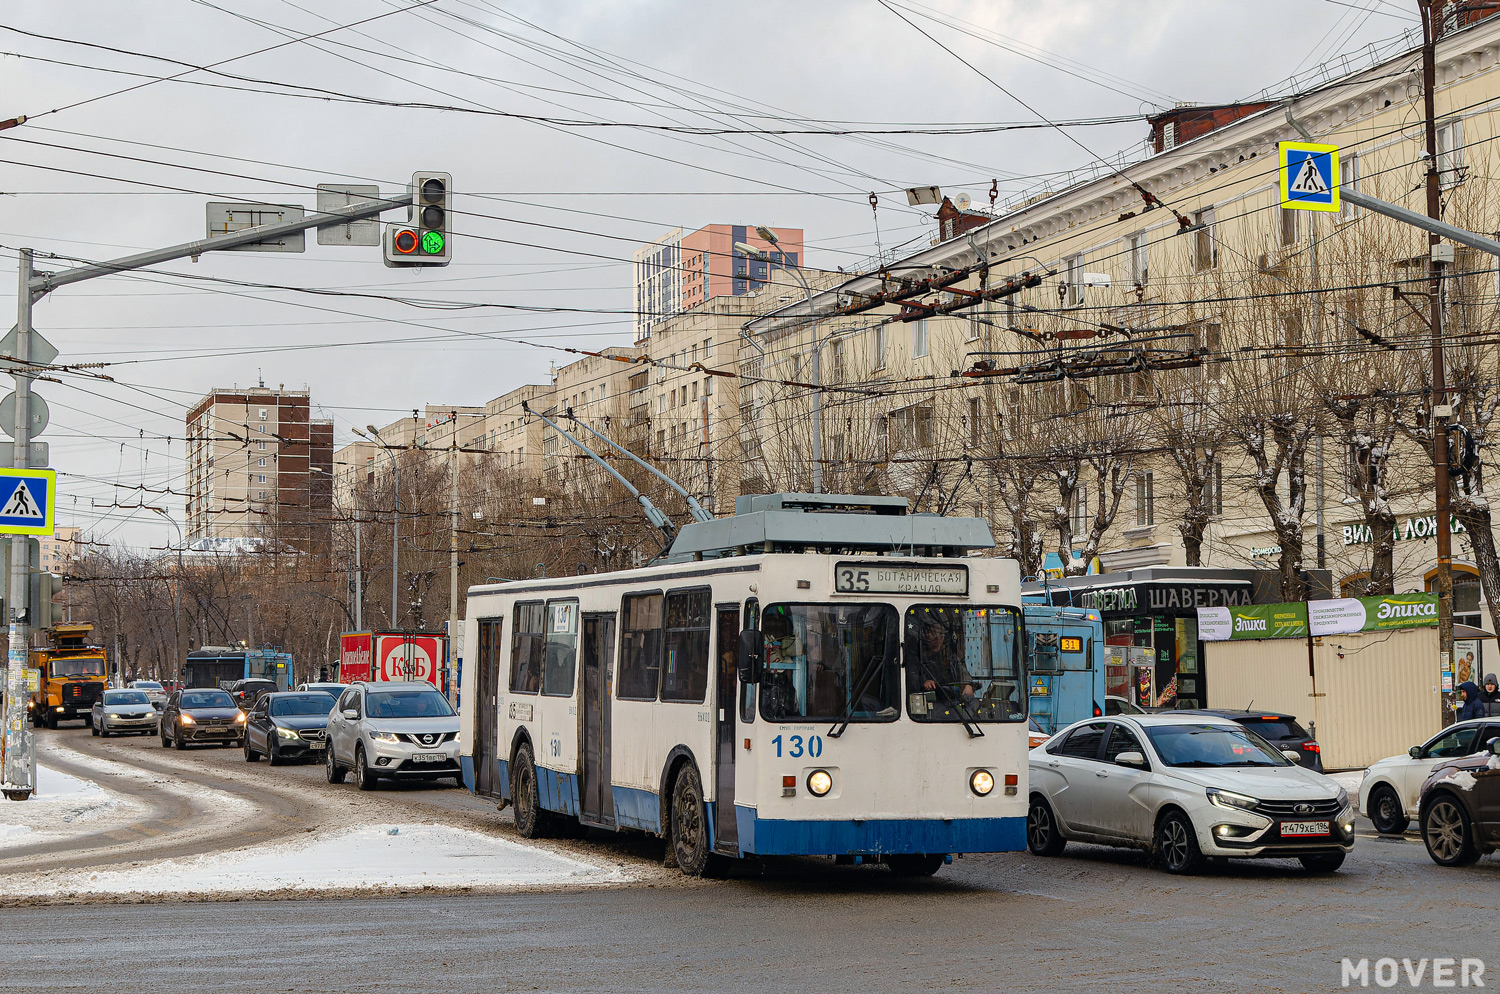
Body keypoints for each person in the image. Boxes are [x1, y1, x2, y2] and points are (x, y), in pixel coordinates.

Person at [912, 619, 975, 703]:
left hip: (950, 702)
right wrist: (924, 682)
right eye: (934, 633)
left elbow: (963, 672)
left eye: (941, 634)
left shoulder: (950, 656)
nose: (938, 637)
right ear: (926, 635)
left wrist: (968, 685)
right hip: (927, 701)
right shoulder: (918, 655)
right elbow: (912, 675)